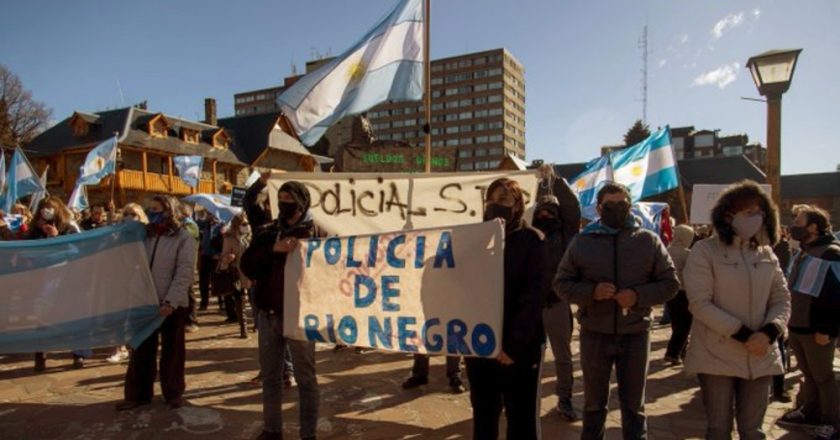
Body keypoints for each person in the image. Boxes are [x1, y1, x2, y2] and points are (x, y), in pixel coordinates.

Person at [554, 182, 678, 440]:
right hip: (594, 334)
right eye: (610, 206)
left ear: (630, 206)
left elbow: (670, 283)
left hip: (636, 333)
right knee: (594, 405)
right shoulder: (582, 241)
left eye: (621, 204)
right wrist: (591, 292)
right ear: (599, 208)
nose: (616, 210)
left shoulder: (648, 240)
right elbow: (561, 284)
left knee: (634, 407)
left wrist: (638, 296)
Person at [683, 180, 790, 440]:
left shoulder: (766, 253)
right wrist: (744, 335)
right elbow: (700, 303)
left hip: (761, 353)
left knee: (753, 431)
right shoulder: (705, 251)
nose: (756, 218)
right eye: (748, 212)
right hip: (716, 353)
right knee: (719, 429)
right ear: (728, 215)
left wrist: (768, 332)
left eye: (760, 212)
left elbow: (782, 297)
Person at [464, 177, 547, 440]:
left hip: (519, 351)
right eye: (490, 200)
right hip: (480, 347)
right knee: (484, 416)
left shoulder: (533, 240)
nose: (494, 205)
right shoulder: (473, 243)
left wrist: (511, 345)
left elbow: (534, 298)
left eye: (503, 200)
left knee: (521, 420)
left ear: (517, 205)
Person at [241, 180, 321, 440]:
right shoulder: (267, 232)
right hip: (268, 315)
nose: (284, 204)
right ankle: (272, 430)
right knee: (271, 377)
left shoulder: (316, 232)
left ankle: (308, 433)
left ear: (300, 203)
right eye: (281, 198)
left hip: (300, 316)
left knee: (306, 379)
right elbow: (248, 265)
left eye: (289, 199)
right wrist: (273, 250)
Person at [116, 195, 196, 411]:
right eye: (150, 209)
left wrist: (171, 300)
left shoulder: (183, 238)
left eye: (157, 209)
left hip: (171, 304)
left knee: (173, 351)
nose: (153, 213)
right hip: (144, 301)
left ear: (169, 211)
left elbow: (184, 272)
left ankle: (173, 393)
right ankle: (138, 395)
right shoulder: (145, 235)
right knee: (141, 350)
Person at [777, 205, 840, 440]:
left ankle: (832, 422)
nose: (794, 225)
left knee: (823, 376)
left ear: (813, 227)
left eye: (799, 221)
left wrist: (827, 327)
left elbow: (836, 296)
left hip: (817, 329)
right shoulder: (804, 251)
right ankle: (810, 412)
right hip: (798, 325)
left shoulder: (831, 253)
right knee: (809, 373)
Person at [27, 196, 91, 370]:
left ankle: (79, 354)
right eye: (43, 208)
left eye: (50, 208)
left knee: (76, 316)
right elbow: (27, 251)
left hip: (70, 280)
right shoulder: (35, 229)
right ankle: (40, 354)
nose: (46, 211)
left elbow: (80, 251)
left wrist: (56, 237)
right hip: (43, 281)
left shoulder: (70, 228)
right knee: (42, 317)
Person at [533, 194, 580, 422]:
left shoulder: (566, 234)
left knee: (563, 356)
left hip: (558, 302)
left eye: (550, 211)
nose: (545, 215)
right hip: (532, 306)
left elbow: (572, 207)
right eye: (541, 211)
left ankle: (565, 398)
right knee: (530, 356)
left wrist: (557, 181)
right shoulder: (529, 234)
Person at [107, 203, 150, 364]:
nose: (129, 217)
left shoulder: (147, 233)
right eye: (126, 214)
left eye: (133, 214)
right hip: (120, 277)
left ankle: (135, 346)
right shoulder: (118, 233)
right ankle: (119, 348)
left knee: (136, 315)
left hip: (140, 277)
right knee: (119, 313)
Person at [663, 224, 695, 366]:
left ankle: (681, 350)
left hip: (669, 293)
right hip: (683, 293)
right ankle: (673, 352)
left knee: (676, 323)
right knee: (685, 324)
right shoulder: (687, 254)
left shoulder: (666, 250)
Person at [219, 213, 251, 338]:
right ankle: (244, 328)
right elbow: (223, 258)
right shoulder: (229, 239)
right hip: (237, 274)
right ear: (237, 225)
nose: (246, 226)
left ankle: (257, 324)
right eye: (244, 224)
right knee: (240, 300)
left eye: (247, 224)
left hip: (251, 273)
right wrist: (228, 258)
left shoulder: (249, 236)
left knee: (254, 301)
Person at [196, 210, 222, 310]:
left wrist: (219, 254)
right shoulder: (204, 225)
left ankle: (221, 303)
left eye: (210, 214)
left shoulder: (220, 226)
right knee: (203, 281)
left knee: (218, 281)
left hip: (215, 257)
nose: (209, 216)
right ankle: (204, 302)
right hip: (205, 256)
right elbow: (196, 223)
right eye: (208, 214)